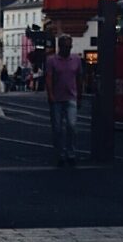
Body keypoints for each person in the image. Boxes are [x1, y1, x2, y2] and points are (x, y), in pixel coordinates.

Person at [45, 35, 83, 167]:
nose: (67, 49)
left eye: (69, 46)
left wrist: (80, 96)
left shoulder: (76, 59)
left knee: (72, 126)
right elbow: (49, 77)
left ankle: (71, 153)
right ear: (60, 47)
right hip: (57, 98)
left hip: (71, 96)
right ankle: (60, 154)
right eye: (65, 47)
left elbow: (79, 78)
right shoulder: (51, 60)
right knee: (57, 128)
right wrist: (50, 94)